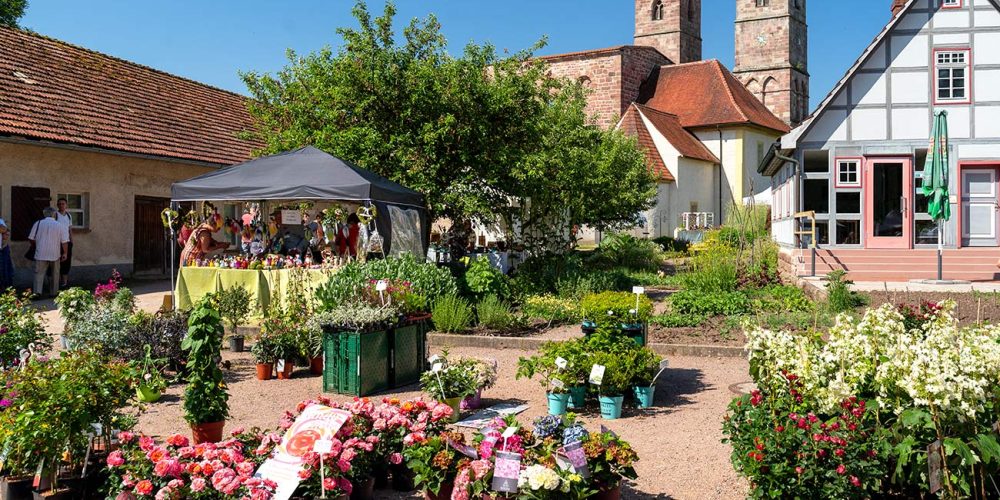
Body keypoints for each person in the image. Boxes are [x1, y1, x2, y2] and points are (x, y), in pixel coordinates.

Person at [28, 207, 69, 297]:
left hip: (40, 253)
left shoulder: (38, 223)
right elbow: (64, 241)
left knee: (39, 273)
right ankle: (54, 293)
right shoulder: (60, 225)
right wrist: (65, 253)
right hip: (55, 253)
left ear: (44, 214)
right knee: (55, 274)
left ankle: (37, 292)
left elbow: (31, 238)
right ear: (54, 214)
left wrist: (36, 245)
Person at [55, 198, 74, 287]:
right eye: (59, 204)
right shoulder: (55, 215)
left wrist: (71, 239)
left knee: (66, 263)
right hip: (56, 243)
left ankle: (64, 283)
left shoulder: (69, 216)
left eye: (63, 204)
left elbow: (69, 229)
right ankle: (56, 283)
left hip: (67, 242)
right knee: (56, 263)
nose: (61, 205)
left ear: (66, 205)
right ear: (57, 205)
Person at [0, 217, 13, 291]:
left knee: (6, 271)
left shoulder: (1, 221)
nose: (7, 236)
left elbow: (4, 229)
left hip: (3, 250)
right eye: (6, 235)